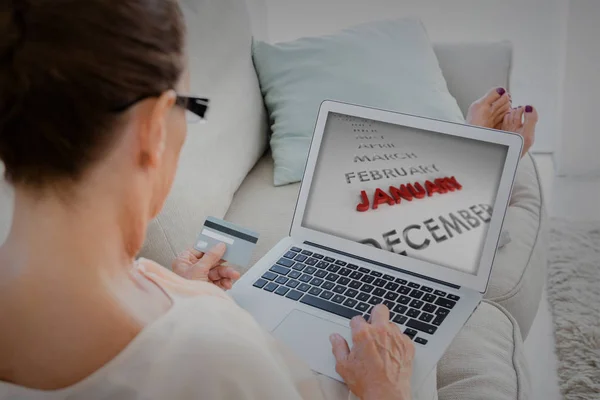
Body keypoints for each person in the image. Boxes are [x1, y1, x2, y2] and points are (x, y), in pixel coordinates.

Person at [0, 1, 537, 399]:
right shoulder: (217, 364)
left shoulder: (154, 295)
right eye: (190, 106)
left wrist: (181, 293)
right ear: (150, 129)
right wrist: (386, 393)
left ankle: (480, 152)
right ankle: (486, 155)